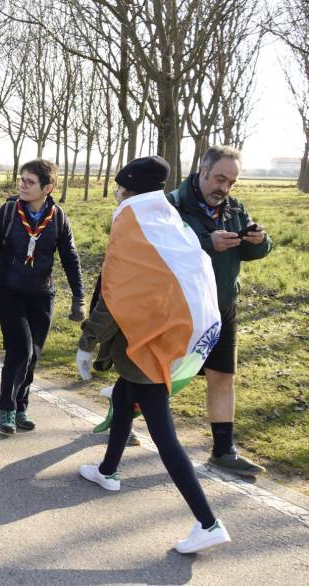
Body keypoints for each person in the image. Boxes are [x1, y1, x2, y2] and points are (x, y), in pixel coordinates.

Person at [77, 156, 231, 554]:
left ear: (127, 189)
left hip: (147, 347)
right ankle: (108, 471)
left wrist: (87, 341)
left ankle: (207, 521)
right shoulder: (167, 219)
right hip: (159, 338)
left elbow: (115, 295)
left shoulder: (131, 225)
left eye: (118, 188)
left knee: (164, 437)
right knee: (125, 401)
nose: (116, 194)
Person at [167, 145, 272, 478]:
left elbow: (249, 254)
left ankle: (223, 450)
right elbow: (162, 249)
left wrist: (260, 242)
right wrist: (206, 241)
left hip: (222, 306)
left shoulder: (233, 208)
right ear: (203, 172)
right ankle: (123, 420)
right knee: (158, 374)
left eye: (232, 182)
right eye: (220, 179)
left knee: (223, 376)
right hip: (179, 306)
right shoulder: (171, 205)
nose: (224, 188)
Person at [0, 159, 85, 436]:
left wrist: (78, 298)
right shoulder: (8, 212)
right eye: (21, 179)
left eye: (29, 181)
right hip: (7, 291)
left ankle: (22, 405)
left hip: (41, 295)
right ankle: (7, 408)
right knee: (20, 349)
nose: (22, 185)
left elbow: (71, 259)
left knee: (33, 354)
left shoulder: (58, 217)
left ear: (47, 187)